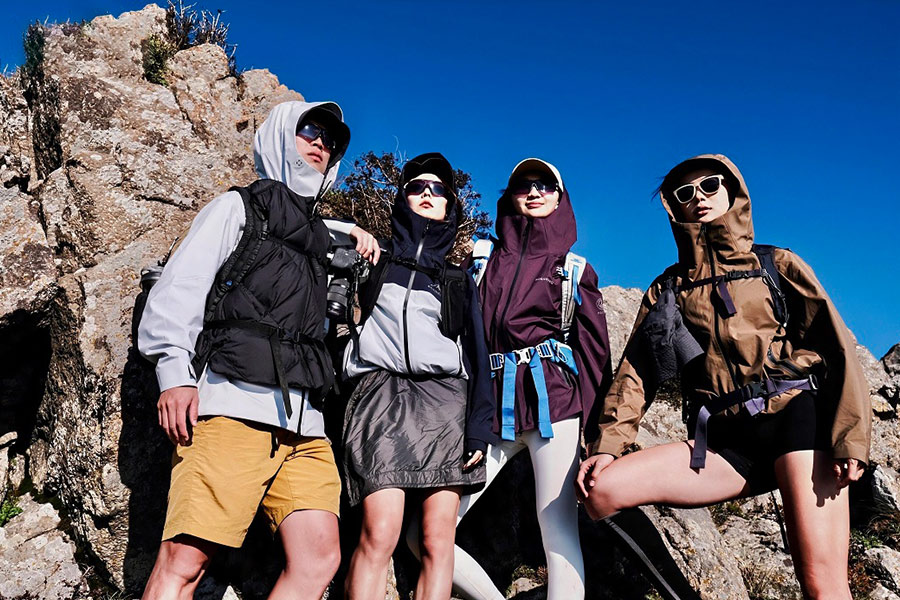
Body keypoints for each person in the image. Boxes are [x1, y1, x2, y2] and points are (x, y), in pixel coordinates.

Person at [577, 154, 871, 600]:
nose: (699, 197)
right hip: (723, 443)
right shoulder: (668, 289)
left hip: (796, 423)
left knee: (822, 585)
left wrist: (851, 438)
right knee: (603, 491)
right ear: (674, 207)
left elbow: (838, 350)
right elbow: (637, 372)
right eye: (685, 192)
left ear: (732, 191)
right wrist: (606, 447)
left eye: (710, 185)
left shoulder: (777, 264)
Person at [138, 100, 380, 600]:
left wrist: (352, 230)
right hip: (231, 407)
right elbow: (180, 288)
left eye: (330, 140)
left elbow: (308, 225)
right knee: (184, 562)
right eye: (309, 130)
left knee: (318, 560)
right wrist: (174, 375)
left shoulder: (321, 239)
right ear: (280, 135)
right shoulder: (236, 208)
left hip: (305, 428)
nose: (320, 143)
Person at [340, 152, 494, 600]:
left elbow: (478, 357)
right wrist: (350, 229)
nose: (428, 193)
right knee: (380, 532)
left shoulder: (458, 279)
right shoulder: (375, 260)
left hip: (446, 404)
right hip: (380, 396)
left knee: (436, 538)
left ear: (450, 205)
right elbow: (312, 232)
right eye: (417, 187)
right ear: (402, 198)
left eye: (438, 189)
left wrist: (479, 430)